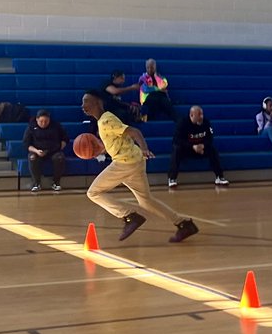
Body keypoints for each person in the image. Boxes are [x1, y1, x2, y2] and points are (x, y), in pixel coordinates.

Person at [81, 90, 198, 243]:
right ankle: (184, 224)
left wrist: (144, 148)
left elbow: (135, 132)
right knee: (146, 201)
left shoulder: (106, 120)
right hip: (134, 161)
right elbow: (118, 141)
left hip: (125, 163)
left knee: (93, 192)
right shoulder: (104, 120)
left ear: (98, 102)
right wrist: (100, 149)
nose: (83, 105)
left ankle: (129, 216)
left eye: (86, 101)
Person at [168, 105, 228, 187]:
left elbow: (210, 138)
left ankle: (219, 177)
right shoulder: (182, 123)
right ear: (191, 115)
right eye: (199, 115)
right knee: (176, 150)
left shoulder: (206, 122)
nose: (201, 117)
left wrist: (203, 145)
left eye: (202, 114)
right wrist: (192, 146)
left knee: (212, 150)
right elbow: (177, 140)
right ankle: (172, 178)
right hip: (187, 149)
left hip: (201, 149)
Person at [23, 109, 68, 192]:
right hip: (37, 151)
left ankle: (56, 182)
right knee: (32, 158)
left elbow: (65, 139)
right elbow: (27, 144)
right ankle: (36, 183)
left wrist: (58, 148)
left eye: (46, 121)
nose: (43, 123)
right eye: (41, 121)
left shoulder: (56, 126)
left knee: (60, 157)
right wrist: (36, 151)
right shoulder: (31, 127)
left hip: (53, 151)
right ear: (37, 119)